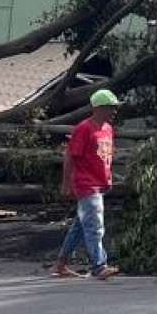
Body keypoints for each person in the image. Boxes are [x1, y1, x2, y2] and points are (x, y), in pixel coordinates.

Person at [53, 88, 121, 280]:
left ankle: (61, 264)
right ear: (97, 108)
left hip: (99, 184)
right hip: (86, 184)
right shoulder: (84, 129)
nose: (113, 112)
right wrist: (66, 183)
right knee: (95, 226)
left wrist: (108, 179)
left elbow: (105, 158)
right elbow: (70, 157)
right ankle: (99, 266)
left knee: (81, 227)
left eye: (114, 108)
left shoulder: (108, 130)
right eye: (110, 108)